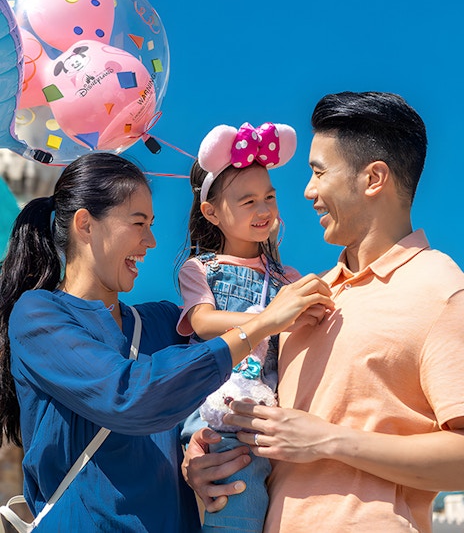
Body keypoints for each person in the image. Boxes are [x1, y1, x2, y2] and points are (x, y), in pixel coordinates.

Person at [0, 151, 333, 533]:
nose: (152, 241)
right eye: (139, 223)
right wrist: (263, 322)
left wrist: (194, 456)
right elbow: (128, 396)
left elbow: (196, 404)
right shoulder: (39, 315)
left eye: (152, 224)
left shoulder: (162, 320)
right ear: (85, 225)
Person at [182, 91, 464, 533]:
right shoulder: (300, 297)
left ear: (373, 178)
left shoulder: (442, 289)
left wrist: (328, 441)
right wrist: (205, 454)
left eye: (318, 173)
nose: (308, 191)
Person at [177, 121, 325, 532]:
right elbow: (203, 323)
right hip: (221, 410)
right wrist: (274, 319)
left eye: (269, 197)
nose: (264, 210)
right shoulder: (200, 269)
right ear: (212, 213)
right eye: (248, 201)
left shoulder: (287, 276)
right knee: (238, 507)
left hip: (270, 413)